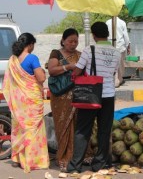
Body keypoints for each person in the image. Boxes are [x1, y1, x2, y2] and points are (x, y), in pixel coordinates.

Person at [66, 22, 121, 173]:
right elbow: (114, 73)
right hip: (108, 95)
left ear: (94, 35)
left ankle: (75, 166)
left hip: (90, 96)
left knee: (83, 130)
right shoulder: (116, 52)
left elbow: (76, 72)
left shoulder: (89, 50)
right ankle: (101, 164)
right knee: (104, 130)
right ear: (107, 34)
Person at [2, 33, 49, 173]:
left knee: (20, 127)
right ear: (30, 45)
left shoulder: (13, 60)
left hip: (19, 102)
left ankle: (17, 159)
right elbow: (40, 78)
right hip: (31, 99)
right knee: (33, 129)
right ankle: (32, 160)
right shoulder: (32, 58)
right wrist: (44, 73)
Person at [47, 28, 81, 171]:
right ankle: (63, 157)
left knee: (78, 126)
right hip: (60, 97)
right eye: (70, 41)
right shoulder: (56, 53)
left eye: (76, 41)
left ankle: (77, 156)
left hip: (78, 96)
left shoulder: (81, 55)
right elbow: (52, 70)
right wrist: (68, 67)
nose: (73, 44)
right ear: (63, 40)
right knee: (62, 126)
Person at [106, 17, 130, 88]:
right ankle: (119, 80)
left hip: (110, 46)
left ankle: (114, 80)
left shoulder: (107, 22)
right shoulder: (122, 22)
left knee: (112, 64)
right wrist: (128, 46)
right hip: (120, 47)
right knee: (120, 64)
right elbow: (126, 36)